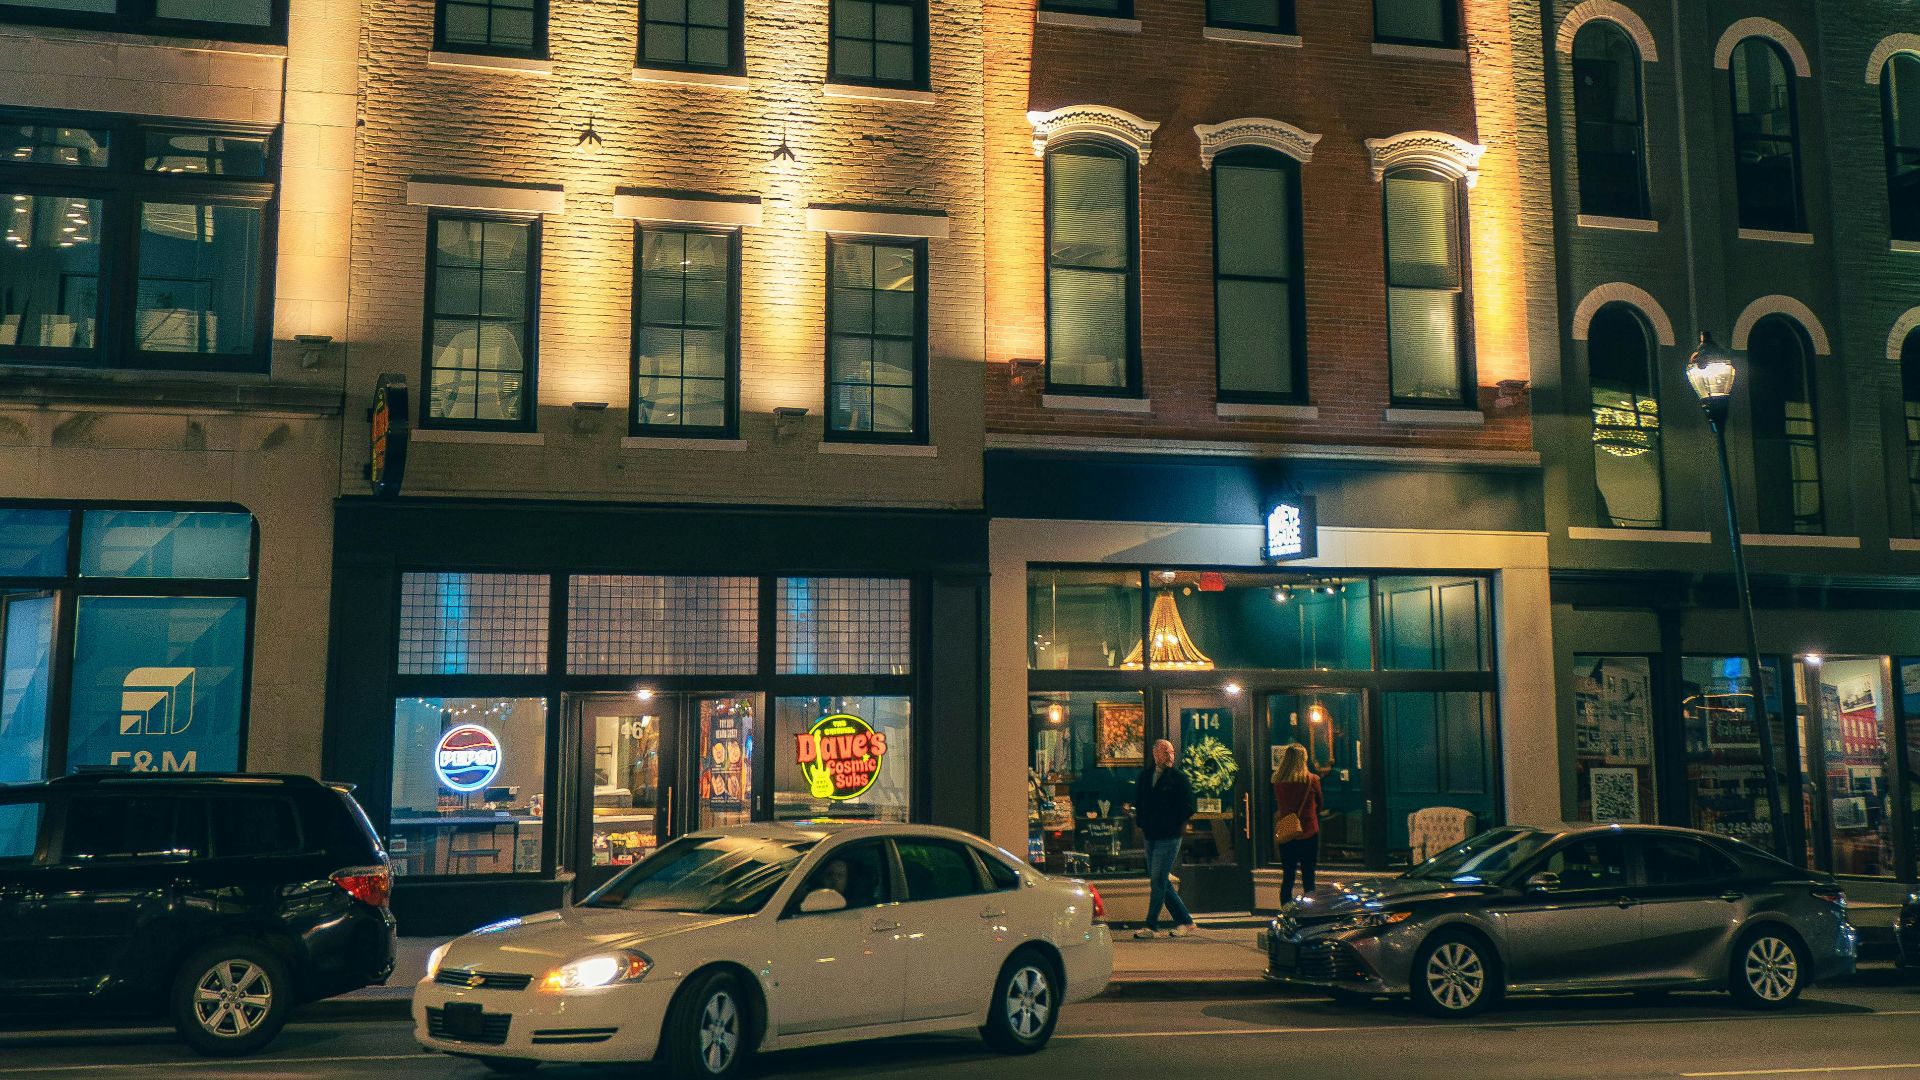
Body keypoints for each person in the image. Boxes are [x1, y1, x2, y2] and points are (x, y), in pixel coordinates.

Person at [1131, 738, 1198, 938]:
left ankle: (1151, 926)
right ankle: (1185, 921)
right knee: (1160, 880)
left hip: (1169, 837)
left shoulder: (1178, 779)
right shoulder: (1145, 777)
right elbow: (1139, 801)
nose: (1170, 756)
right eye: (1165, 752)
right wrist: (1142, 823)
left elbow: (1189, 807)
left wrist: (1172, 822)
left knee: (1158, 880)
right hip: (1150, 836)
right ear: (1155, 754)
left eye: (1172, 752)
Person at [1271, 742, 1323, 906]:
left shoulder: (1278, 782)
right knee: (1308, 876)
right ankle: (1310, 911)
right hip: (1308, 832)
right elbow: (1320, 804)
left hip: (1287, 833)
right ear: (1303, 760)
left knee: (1288, 876)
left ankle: (1286, 910)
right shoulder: (1312, 780)